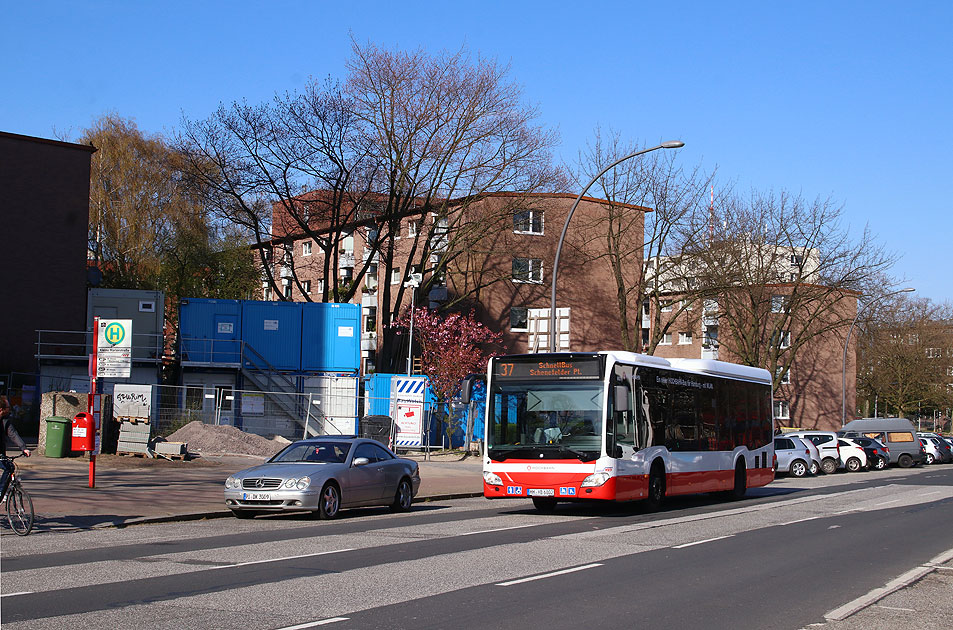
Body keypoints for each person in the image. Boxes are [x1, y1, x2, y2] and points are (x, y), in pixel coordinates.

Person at [1, 395, 30, 498]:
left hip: (1, 454)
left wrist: (24, 448)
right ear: (2, 409)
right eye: (8, 407)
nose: (10, 409)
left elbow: (13, 434)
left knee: (10, 467)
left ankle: (1, 491)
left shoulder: (5, 421)